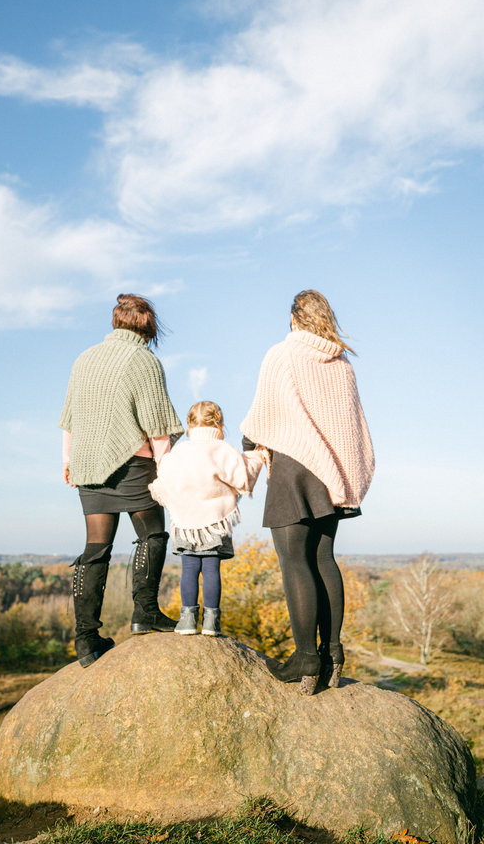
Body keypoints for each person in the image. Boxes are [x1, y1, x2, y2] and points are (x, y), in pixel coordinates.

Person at [241, 289, 374, 694]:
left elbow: (262, 415)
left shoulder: (281, 354)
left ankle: (305, 659)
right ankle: (332, 654)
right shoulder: (343, 364)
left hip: (295, 467)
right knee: (323, 559)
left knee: (294, 562)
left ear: (295, 318)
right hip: (331, 473)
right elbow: (351, 426)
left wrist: (249, 445)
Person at [59, 293, 184, 667]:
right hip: (132, 465)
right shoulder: (144, 360)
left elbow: (69, 418)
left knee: (95, 548)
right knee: (153, 534)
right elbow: (157, 426)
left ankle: (86, 639)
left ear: (116, 322)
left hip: (87, 465)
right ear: (148, 326)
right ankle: (145, 614)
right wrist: (165, 470)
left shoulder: (84, 358)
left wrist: (68, 460)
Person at [150, 400, 264, 636]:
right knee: (212, 569)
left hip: (185, 523)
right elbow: (242, 477)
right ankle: (212, 623)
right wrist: (256, 455)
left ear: (190, 425)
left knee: (189, 568)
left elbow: (163, 479)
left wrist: (177, 501)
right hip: (215, 521)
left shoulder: (179, 452)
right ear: (219, 423)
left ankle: (187, 621)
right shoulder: (223, 450)